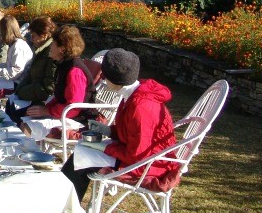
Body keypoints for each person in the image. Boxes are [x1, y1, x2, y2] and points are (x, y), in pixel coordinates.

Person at [62, 48, 178, 202]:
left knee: (82, 157)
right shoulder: (133, 94)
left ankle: (64, 210)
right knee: (82, 150)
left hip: (149, 165)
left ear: (114, 79)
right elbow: (132, 132)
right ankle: (62, 205)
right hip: (140, 155)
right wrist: (109, 130)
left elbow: (137, 155)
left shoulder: (141, 106)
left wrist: (104, 147)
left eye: (104, 77)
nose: (103, 80)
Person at [20, 25, 96, 141]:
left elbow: (74, 107)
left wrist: (47, 111)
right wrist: (45, 109)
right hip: (66, 115)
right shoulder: (64, 65)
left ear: (62, 48)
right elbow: (60, 96)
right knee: (27, 118)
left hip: (79, 121)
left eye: (53, 43)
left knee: (27, 127)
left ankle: (33, 155)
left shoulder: (74, 71)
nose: (50, 45)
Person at [5, 16, 57, 124]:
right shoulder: (39, 51)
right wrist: (18, 91)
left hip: (43, 100)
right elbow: (30, 75)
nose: (31, 39)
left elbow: (48, 88)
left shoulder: (51, 54)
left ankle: (22, 136)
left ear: (44, 35)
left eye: (33, 36)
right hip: (34, 94)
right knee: (10, 104)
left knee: (14, 110)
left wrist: (22, 93)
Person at [0, 15, 33, 96]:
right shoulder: (13, 44)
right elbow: (9, 65)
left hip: (19, 83)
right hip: (14, 80)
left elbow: (16, 70)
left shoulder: (18, 46)